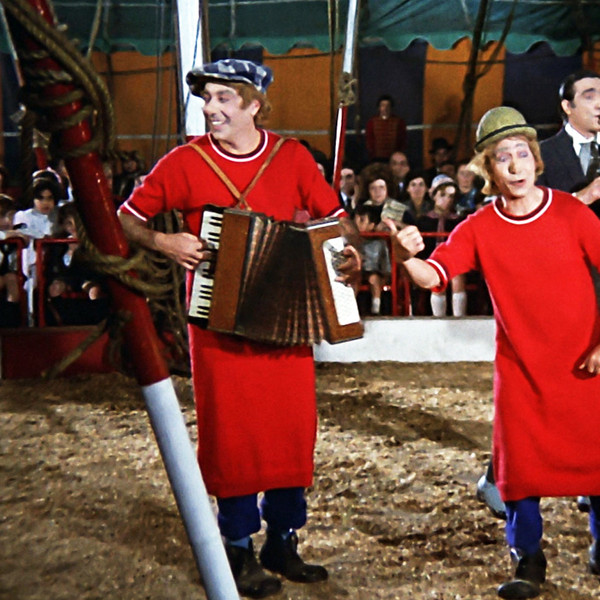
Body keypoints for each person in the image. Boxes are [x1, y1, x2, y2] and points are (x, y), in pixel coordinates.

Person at [117, 58, 360, 599]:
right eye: (207, 98)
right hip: (218, 329)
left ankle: (283, 541)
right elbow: (124, 218)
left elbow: (335, 220)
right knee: (232, 438)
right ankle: (236, 548)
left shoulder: (291, 157)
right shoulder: (184, 162)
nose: (211, 108)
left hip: (285, 320)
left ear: (254, 104)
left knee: (291, 432)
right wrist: (164, 241)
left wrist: (347, 253)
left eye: (223, 98)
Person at [387, 106, 600, 599]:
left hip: (585, 367)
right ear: (488, 168)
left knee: (597, 461)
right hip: (521, 371)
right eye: (503, 157)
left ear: (536, 159)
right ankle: (528, 559)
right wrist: (405, 256)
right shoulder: (479, 227)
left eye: (522, 153)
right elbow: (433, 275)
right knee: (520, 472)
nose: (516, 165)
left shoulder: (573, 214)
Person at [537, 69, 600, 214]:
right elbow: (534, 212)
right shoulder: (541, 154)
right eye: (589, 97)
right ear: (567, 106)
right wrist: (582, 198)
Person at [417, 175, 466, 317]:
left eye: (451, 196)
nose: (447, 200)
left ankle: (460, 318)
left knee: (457, 277)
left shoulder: (459, 220)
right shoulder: (424, 220)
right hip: (431, 261)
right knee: (437, 277)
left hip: (453, 260)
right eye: (443, 195)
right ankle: (439, 318)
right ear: (434, 196)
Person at [353, 203, 391, 315]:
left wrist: (386, 275)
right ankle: (350, 308)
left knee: (373, 279)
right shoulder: (350, 241)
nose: (356, 224)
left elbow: (385, 263)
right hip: (356, 271)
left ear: (371, 225)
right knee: (353, 279)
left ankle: (376, 307)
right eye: (355, 220)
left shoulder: (379, 242)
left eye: (362, 220)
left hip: (375, 272)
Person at [0, 194, 28, 327]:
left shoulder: (17, 233)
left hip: (7, 274)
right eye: (1, 216)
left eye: (11, 216)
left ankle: (10, 325)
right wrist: (4, 235)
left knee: (12, 279)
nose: (7, 221)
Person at [365, 94, 407, 163]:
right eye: (383, 105)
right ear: (379, 107)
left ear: (391, 107)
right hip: (376, 158)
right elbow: (369, 141)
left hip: (394, 159)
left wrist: (398, 155)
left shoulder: (399, 122)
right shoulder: (372, 122)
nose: (385, 108)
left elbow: (402, 140)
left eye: (388, 106)